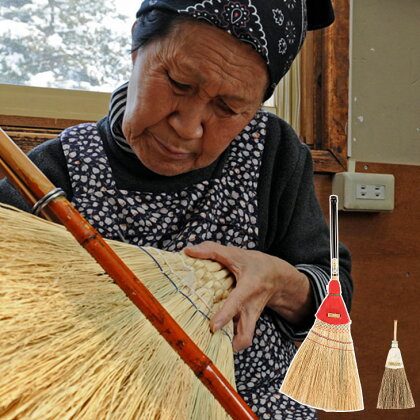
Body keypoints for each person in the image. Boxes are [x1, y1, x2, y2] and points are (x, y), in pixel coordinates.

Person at [0, 1, 352, 418]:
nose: (188, 125)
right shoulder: (54, 174)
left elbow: (336, 299)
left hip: (251, 402)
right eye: (179, 83)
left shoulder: (273, 152)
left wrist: (281, 282)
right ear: (137, 52)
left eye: (228, 108)